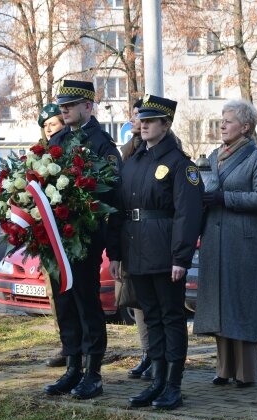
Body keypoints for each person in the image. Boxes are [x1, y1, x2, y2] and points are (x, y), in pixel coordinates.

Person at [108, 94, 204, 410]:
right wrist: (116, 253)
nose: (144, 124)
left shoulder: (180, 164)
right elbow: (119, 209)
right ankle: (156, 380)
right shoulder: (133, 161)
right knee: (151, 317)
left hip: (164, 252)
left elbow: (187, 215)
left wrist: (180, 257)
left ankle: (172, 385)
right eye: (142, 119)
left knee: (171, 317)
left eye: (151, 121)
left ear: (166, 125)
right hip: (136, 249)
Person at [43, 79, 122, 400]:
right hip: (56, 239)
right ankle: (72, 366)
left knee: (86, 304)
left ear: (88, 106)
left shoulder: (103, 144)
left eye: (71, 104)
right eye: (62, 104)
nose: (64, 108)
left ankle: (93, 373)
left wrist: (115, 249)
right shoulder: (57, 139)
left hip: (86, 240)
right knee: (64, 303)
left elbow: (116, 199)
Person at [193, 99, 257, 387]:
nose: (222, 125)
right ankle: (224, 369)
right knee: (218, 304)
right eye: (222, 120)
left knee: (241, 303)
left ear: (245, 126)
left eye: (228, 120)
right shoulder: (214, 155)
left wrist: (224, 198)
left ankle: (246, 372)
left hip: (242, 242)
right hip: (214, 241)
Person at [116, 98, 152, 380]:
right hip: (130, 235)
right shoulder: (126, 151)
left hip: (153, 237)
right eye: (134, 115)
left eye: (141, 115)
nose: (137, 120)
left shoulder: (167, 147)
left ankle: (158, 357)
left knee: (154, 301)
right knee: (135, 301)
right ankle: (146, 352)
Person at [37, 103, 68, 368]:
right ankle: (64, 343)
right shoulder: (38, 155)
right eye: (45, 127)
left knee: (69, 291)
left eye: (53, 125)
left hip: (67, 235)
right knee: (54, 293)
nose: (48, 130)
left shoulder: (67, 153)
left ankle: (75, 346)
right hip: (46, 237)